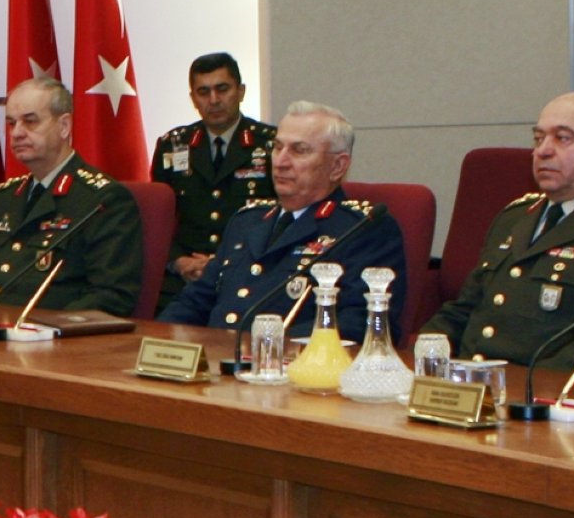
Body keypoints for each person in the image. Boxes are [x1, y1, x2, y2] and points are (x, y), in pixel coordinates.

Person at [422, 92, 574, 374]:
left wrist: (523, 388)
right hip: (473, 390)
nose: (543, 151)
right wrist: (423, 359)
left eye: (563, 138)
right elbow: (465, 309)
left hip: (546, 399)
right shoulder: (514, 217)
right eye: (539, 138)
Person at [160, 102, 402, 341]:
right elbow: (195, 300)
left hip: (290, 369)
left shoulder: (361, 229)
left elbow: (360, 323)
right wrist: (156, 340)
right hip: (215, 364)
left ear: (337, 166)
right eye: (277, 147)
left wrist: (262, 344)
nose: (280, 161)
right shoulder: (247, 221)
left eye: (299, 150)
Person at [0, 78, 143, 316]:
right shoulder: (5, 197)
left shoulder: (102, 199)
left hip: (53, 342)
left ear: (64, 126)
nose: (16, 133)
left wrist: (48, 328)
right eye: (11, 123)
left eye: (30, 121)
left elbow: (112, 295)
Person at [148, 53, 276, 311]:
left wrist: (224, 263)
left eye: (222, 89)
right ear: (193, 98)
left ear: (240, 91)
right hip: (185, 278)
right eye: (203, 92)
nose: (214, 100)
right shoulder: (173, 145)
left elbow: (281, 219)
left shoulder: (271, 144)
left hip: (249, 273)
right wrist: (178, 261)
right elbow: (158, 220)